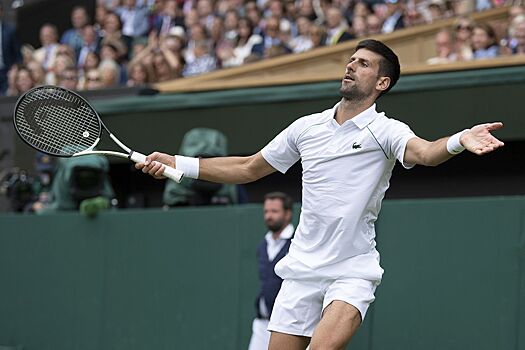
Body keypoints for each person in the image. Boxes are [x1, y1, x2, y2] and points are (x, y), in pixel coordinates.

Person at [136, 39, 504, 349]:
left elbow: (425, 153)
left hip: (351, 270)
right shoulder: (306, 128)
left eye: (363, 64)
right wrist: (177, 163)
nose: (351, 66)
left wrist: (459, 140)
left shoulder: (387, 130)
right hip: (301, 271)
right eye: (351, 60)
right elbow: (249, 167)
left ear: (382, 82)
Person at [248, 192, 294, 350]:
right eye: (266, 211)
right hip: (262, 322)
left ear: (288, 214)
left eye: (274, 211)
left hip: (289, 323)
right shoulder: (263, 246)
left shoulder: (297, 244)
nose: (269, 216)